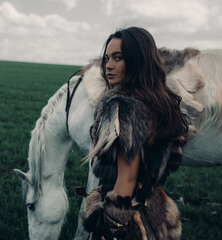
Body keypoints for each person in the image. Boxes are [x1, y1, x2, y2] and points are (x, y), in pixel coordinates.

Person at [81, 27, 189, 239]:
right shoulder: (160, 102)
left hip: (128, 219)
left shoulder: (122, 107)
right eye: (106, 58)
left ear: (137, 61)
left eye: (118, 58)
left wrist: (112, 226)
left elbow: (127, 179)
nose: (108, 66)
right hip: (153, 209)